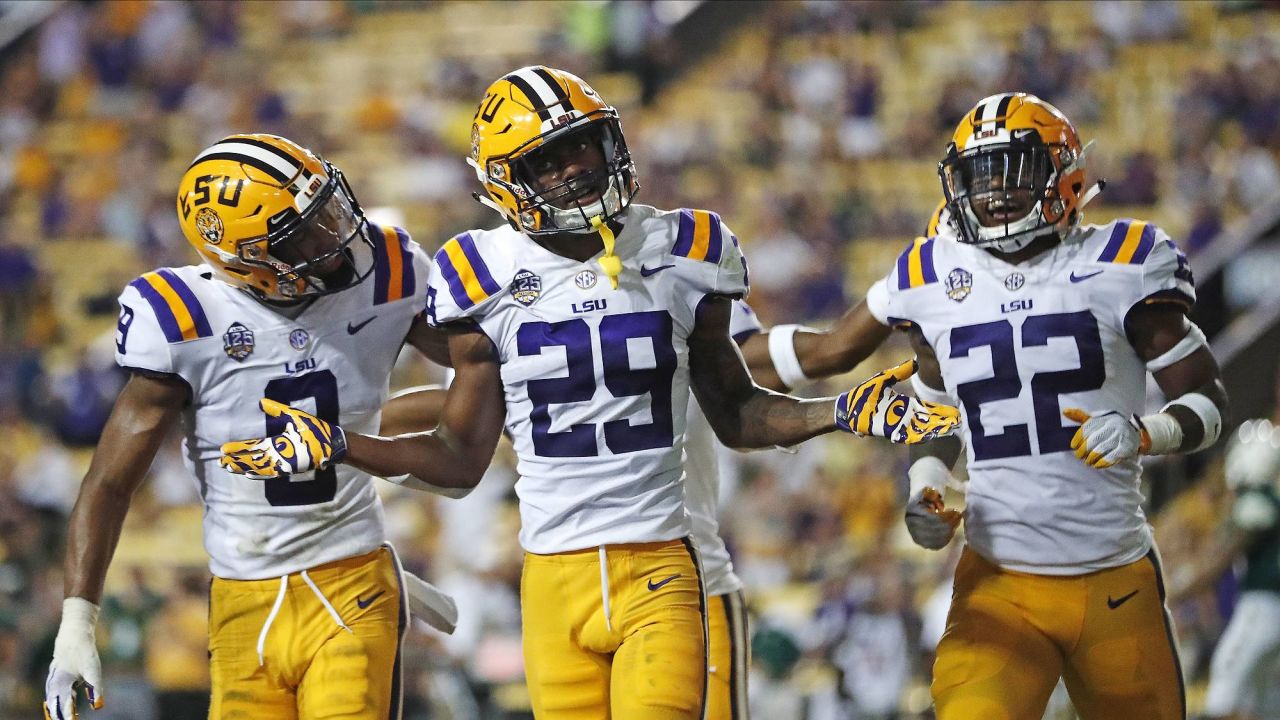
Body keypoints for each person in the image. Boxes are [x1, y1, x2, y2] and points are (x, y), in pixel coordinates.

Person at [220, 66, 960, 720]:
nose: (576, 170)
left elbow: (741, 399)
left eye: (584, 144)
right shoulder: (477, 270)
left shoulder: (687, 251)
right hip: (550, 579)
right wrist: (344, 448)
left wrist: (842, 410)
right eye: (548, 160)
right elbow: (459, 442)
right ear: (506, 183)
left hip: (669, 561)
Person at [731, 93, 1227, 719]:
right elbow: (923, 407)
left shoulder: (1122, 263)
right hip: (1000, 581)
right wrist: (928, 484)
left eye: (1011, 170)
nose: (992, 191)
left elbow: (1208, 399)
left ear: (1062, 173)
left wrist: (1148, 431)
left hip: (1114, 577)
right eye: (978, 174)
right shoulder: (933, 274)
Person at [43, 134, 457, 720]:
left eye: (328, 211)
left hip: (353, 580)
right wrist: (77, 619)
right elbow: (109, 482)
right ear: (243, 256)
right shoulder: (183, 319)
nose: (335, 239)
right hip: (242, 596)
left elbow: (476, 374)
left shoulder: (387, 269)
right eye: (302, 234)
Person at [1168, 415, 1280, 720]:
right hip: (1269, 609)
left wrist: (1172, 594)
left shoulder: (1259, 501)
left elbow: (1218, 561)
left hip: (1266, 606)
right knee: (1266, 700)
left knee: (1226, 679)